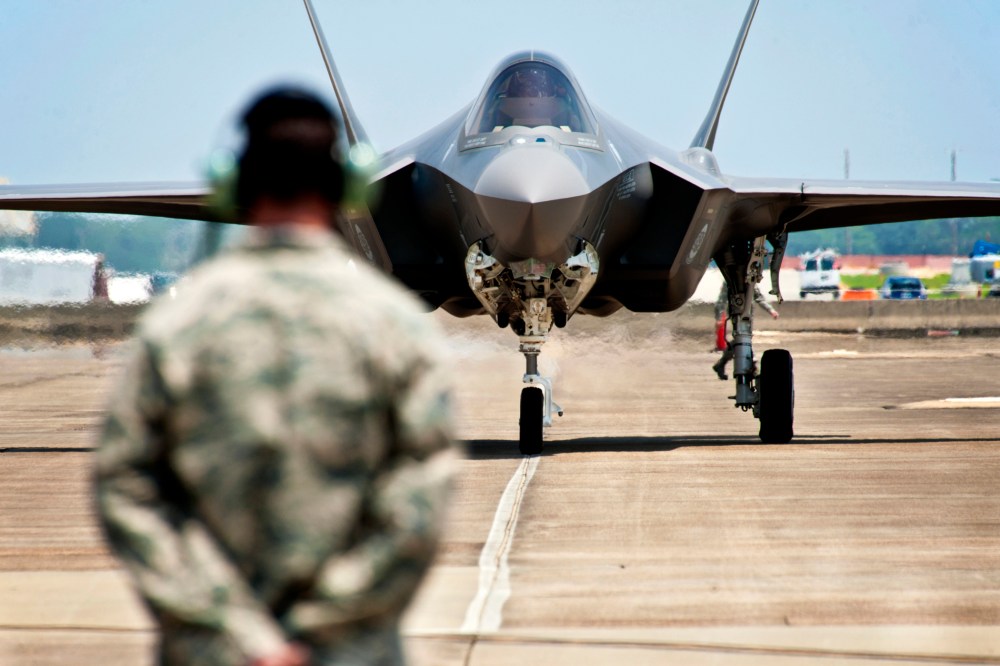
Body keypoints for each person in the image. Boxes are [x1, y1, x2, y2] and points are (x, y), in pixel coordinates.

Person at [95, 87, 458, 666]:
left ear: (233, 182)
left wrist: (241, 636)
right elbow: (419, 502)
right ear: (350, 185)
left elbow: (126, 486)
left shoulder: (178, 325)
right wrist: (321, 630)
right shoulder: (395, 326)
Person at [712, 282, 779, 380]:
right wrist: (719, 317)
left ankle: (722, 364)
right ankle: (751, 364)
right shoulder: (730, 280)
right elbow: (721, 300)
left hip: (748, 315)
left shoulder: (751, 279)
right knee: (741, 338)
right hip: (736, 313)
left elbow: (758, 297)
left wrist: (771, 310)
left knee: (742, 339)